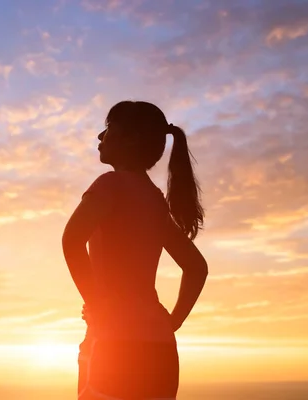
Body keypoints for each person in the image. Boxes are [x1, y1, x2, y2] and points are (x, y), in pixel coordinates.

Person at [62, 101, 209, 400]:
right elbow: (196, 267)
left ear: (129, 139)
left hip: (114, 342)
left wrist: (97, 305)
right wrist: (173, 322)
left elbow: (72, 241)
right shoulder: (154, 199)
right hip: (161, 347)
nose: (100, 137)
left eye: (108, 130)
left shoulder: (110, 185)